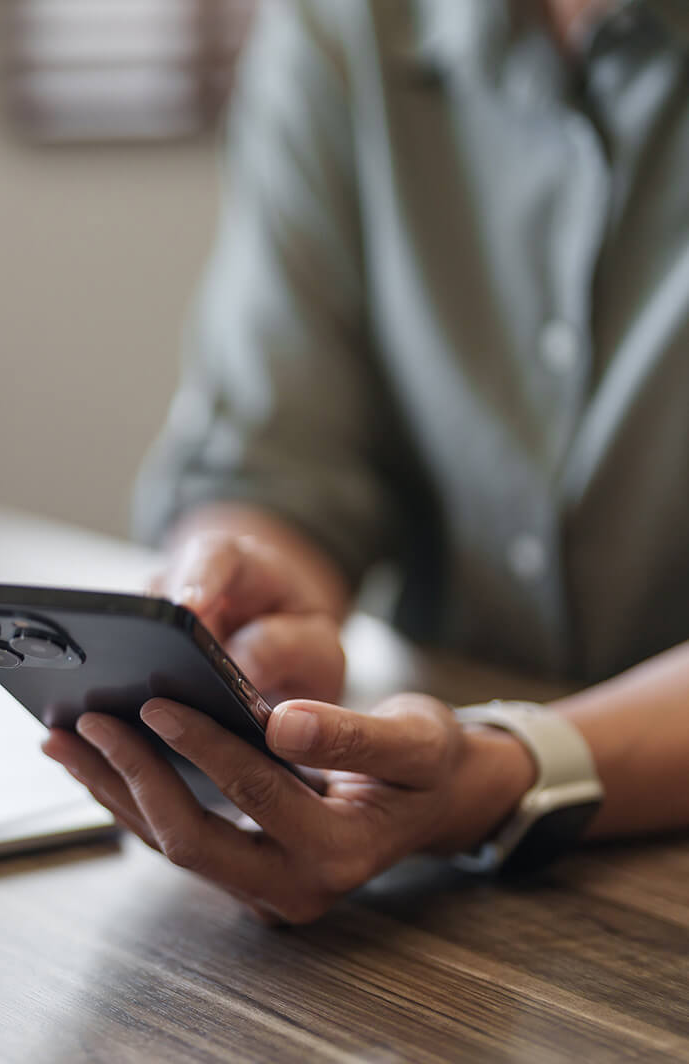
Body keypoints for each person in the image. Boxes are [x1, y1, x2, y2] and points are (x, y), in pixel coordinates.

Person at [43, 0, 689, 925]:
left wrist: (504, 770)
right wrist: (246, 595)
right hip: (462, 892)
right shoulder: (343, 28)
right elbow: (279, 454)